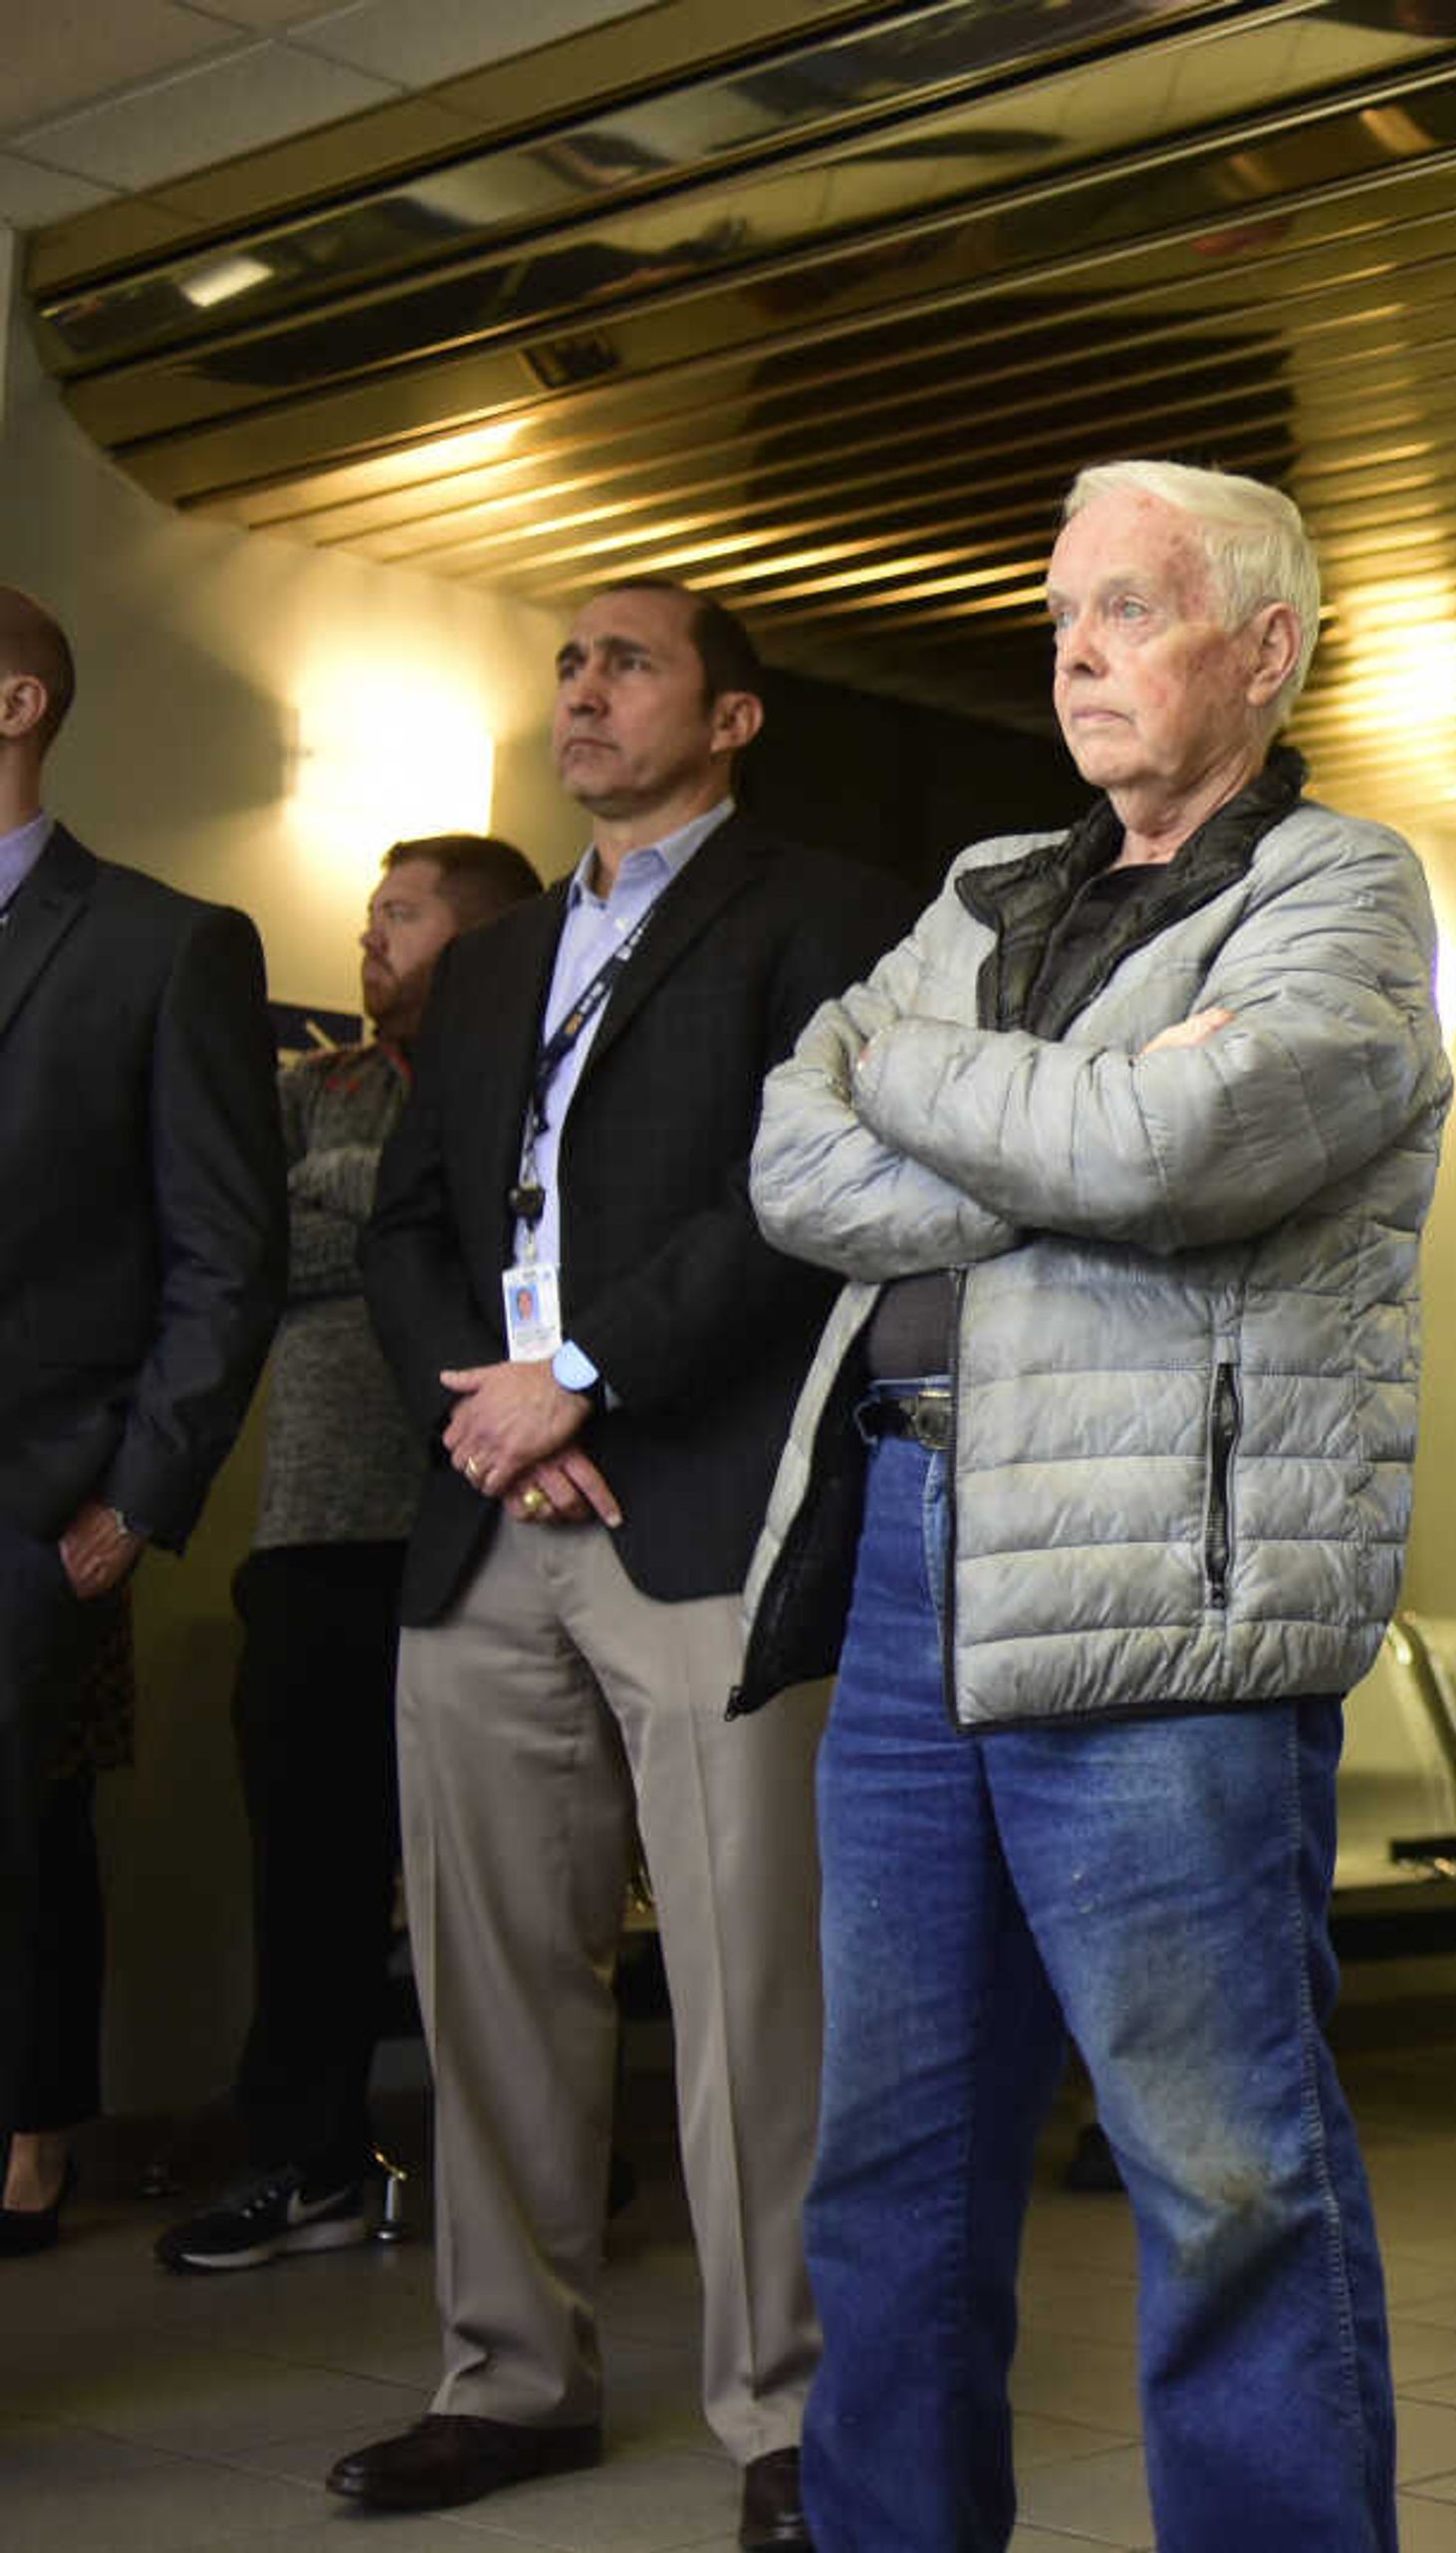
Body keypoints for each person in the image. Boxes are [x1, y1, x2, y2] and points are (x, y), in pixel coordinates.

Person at [738, 460, 1444, 2551]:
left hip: (1161, 1592)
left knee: (1224, 2173)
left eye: (1129, 608)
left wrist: (932, 1086)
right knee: (891, 2166)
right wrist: (1070, 1123)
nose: (1074, 651)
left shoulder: (1345, 890)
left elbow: (1175, 1151)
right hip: (901, 1569)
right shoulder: (979, 889)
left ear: (1267, 649)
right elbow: (792, 1151)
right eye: (1062, 613)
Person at [346, 582, 913, 2540]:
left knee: (759, 1981)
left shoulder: (823, 911)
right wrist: (488, 1409)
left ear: (733, 719)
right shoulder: (496, 958)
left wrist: (586, 1379)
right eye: (569, 662)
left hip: (698, 1503)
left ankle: (789, 2418)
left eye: (631, 663)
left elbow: (806, 1194)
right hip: (489, 1513)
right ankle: (507, 2378)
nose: (583, 690)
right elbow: (407, 1224)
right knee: (487, 1970)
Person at [157, 833, 544, 2275]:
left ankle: (538, 2165)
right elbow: (241, 1239)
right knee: (309, 1874)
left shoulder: (527, 1080)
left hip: (499, 1526)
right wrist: (377, 1204)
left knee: (509, 1882)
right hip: (318, 1536)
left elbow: (496, 1249)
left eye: (401, 912)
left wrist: (368, 1210)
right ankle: (303, 2161)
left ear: (491, 936)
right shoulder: (306, 1086)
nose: (369, 935)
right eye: (371, 911)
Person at [0, 583, 285, 2260]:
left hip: (31, 1499)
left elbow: (222, 1255)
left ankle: (29, 2149)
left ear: (18, 701)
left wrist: (136, 1491)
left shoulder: (163, 943)